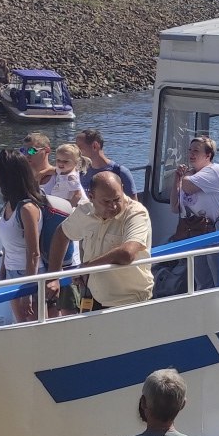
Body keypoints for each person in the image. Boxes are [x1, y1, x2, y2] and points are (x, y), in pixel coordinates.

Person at [46, 171, 153, 310]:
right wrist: (53, 277)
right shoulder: (85, 211)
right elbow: (62, 233)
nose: (113, 206)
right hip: (93, 297)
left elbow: (127, 254)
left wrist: (86, 268)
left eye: (117, 199)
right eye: (106, 201)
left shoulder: (136, 213)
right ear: (91, 197)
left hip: (130, 301)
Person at [170, 136, 219, 289]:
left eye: (196, 151)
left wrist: (184, 175)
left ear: (208, 155)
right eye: (190, 150)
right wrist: (176, 179)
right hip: (197, 234)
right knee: (202, 283)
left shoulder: (215, 171)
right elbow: (175, 207)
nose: (191, 154)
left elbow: (187, 186)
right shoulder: (191, 175)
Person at [0, 149, 46, 324]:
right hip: (12, 272)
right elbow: (7, 246)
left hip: (28, 274)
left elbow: (34, 253)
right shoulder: (9, 204)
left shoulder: (27, 209)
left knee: (34, 326)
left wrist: (28, 292)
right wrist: (2, 274)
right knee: (20, 324)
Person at [76, 127, 138, 200]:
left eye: (79, 147)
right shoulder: (80, 172)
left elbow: (134, 205)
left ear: (95, 146)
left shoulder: (120, 172)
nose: (76, 151)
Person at [43, 141, 89, 206]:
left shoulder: (71, 177)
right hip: (61, 201)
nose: (61, 163)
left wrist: (69, 208)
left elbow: (78, 195)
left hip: (74, 206)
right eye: (58, 160)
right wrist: (40, 174)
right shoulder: (63, 170)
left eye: (65, 161)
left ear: (75, 162)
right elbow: (53, 170)